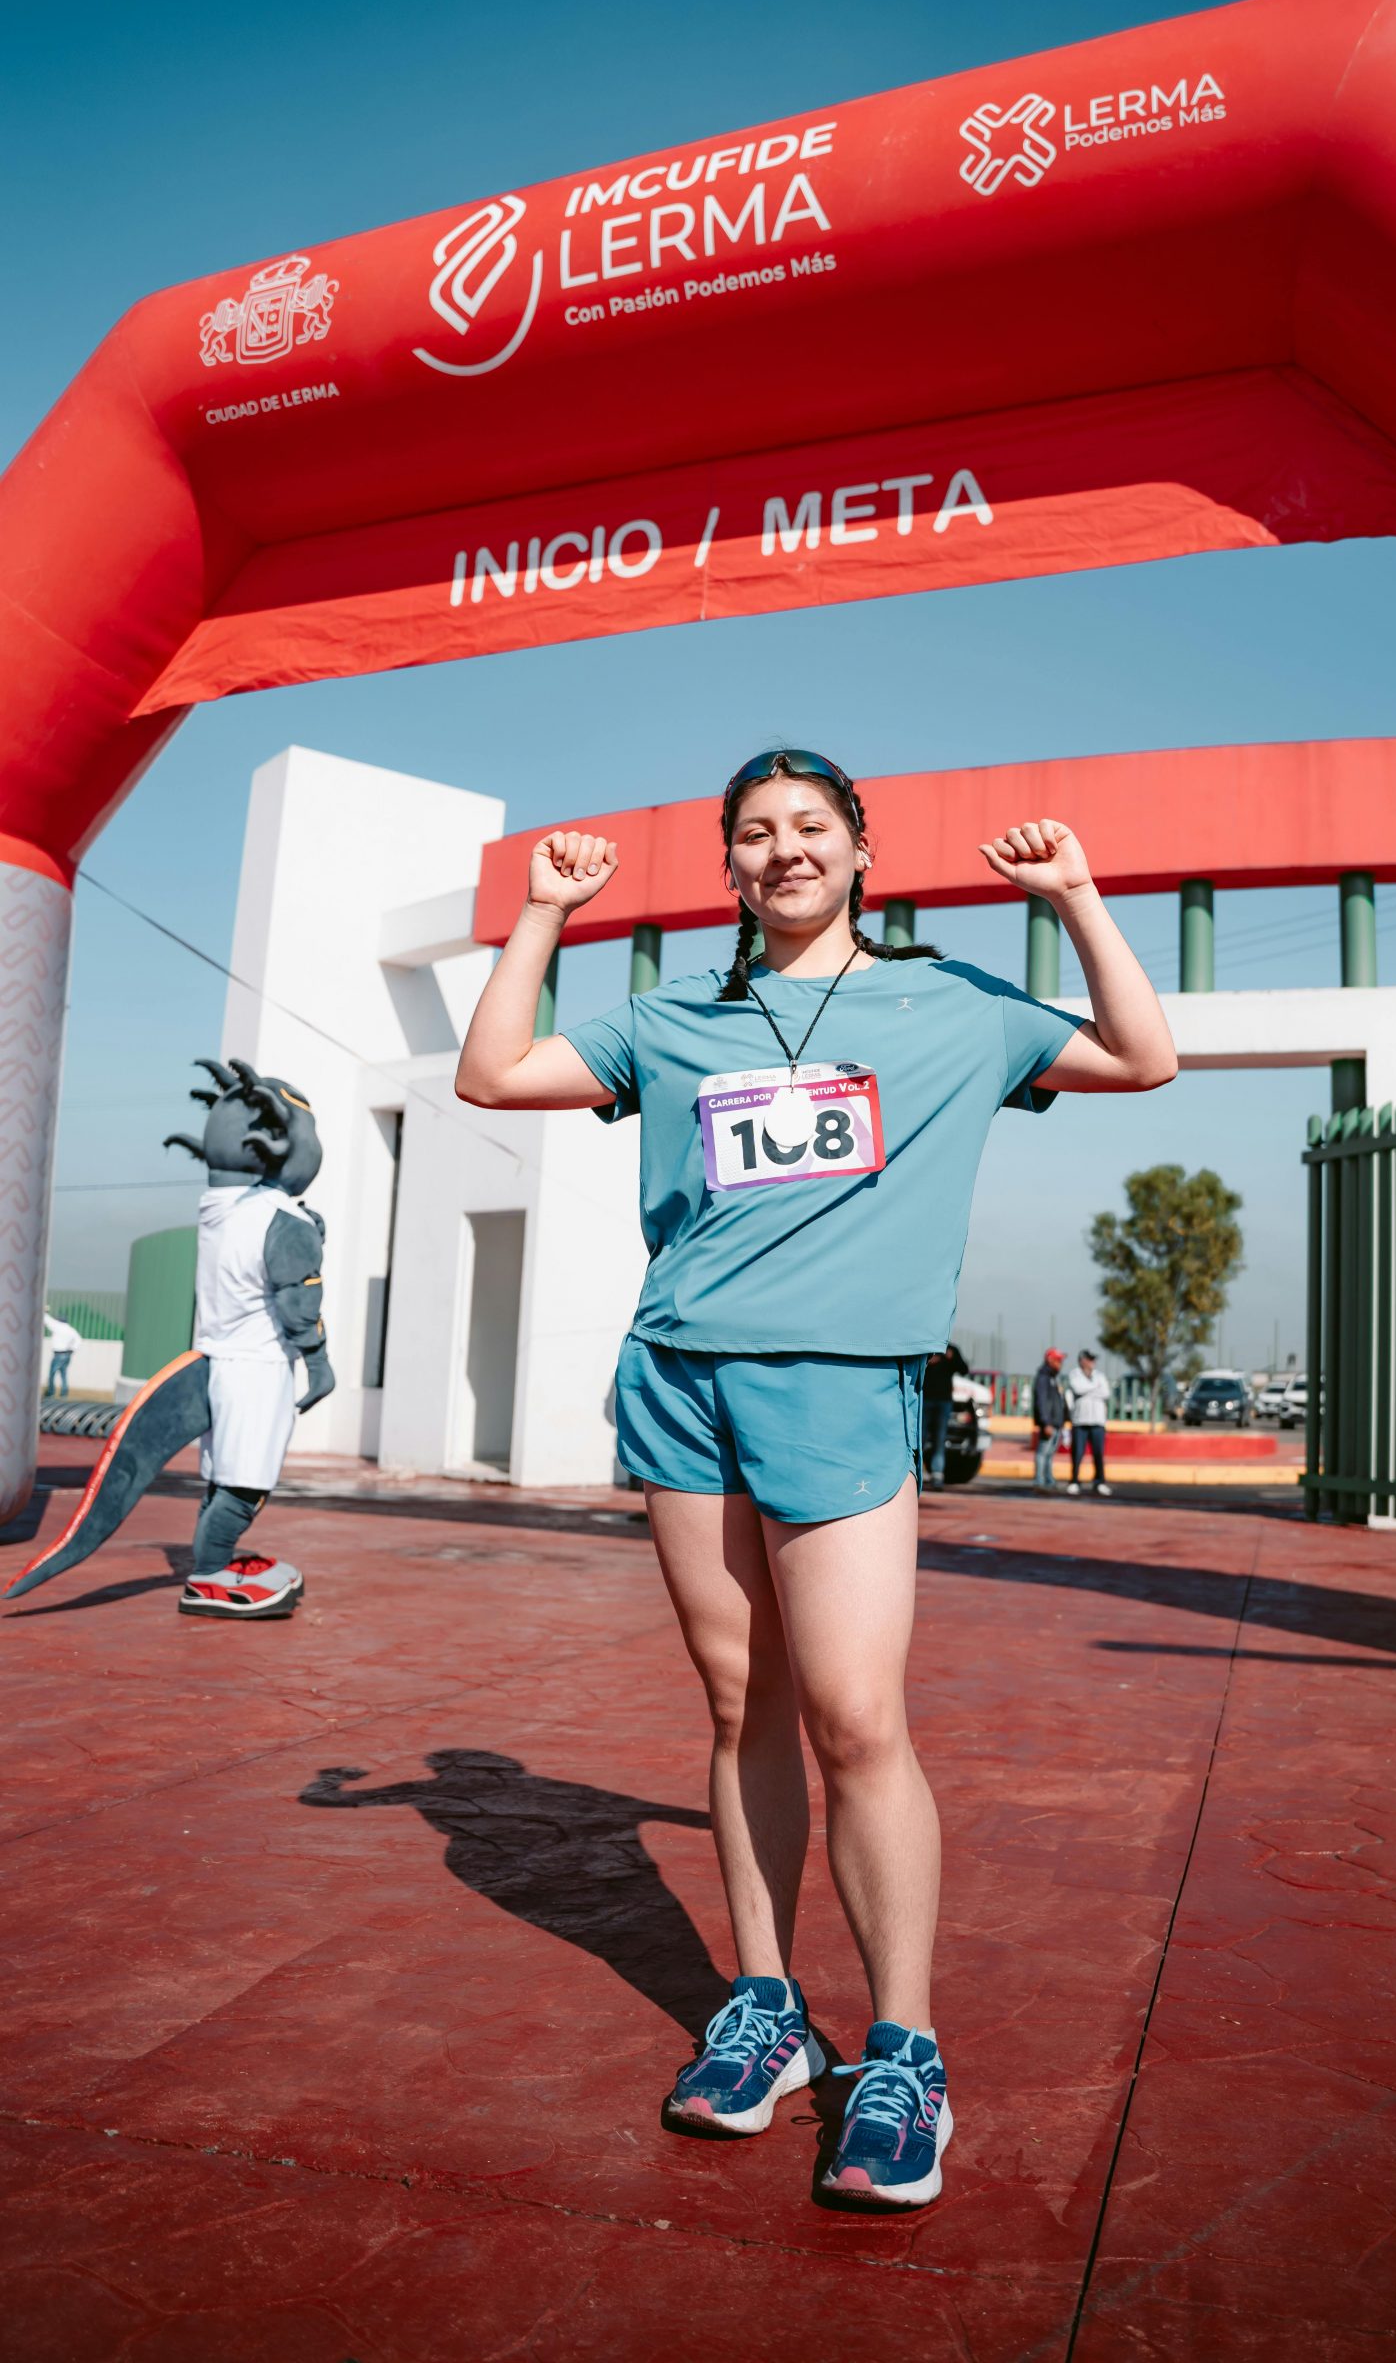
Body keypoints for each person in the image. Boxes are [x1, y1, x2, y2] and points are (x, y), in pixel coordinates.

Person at [455, 748, 1176, 2209]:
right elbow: (492, 1073)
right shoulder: (675, 1019)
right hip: (679, 1381)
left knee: (854, 1719)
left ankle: (901, 2050)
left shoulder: (955, 1007)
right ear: (726, 870)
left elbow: (1140, 1055)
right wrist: (540, 913)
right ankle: (766, 2008)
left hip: (842, 1392)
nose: (781, 851)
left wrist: (1074, 896)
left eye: (808, 829)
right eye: (753, 836)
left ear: (858, 851)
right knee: (741, 1707)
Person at [1064, 1347, 1113, 1497]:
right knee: (1077, 1453)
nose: (1093, 1362)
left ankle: (1100, 1482)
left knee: (1098, 1453)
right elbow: (1078, 1389)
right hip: (1080, 1421)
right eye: (1090, 1359)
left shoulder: (1100, 1375)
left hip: (1098, 1421)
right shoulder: (1074, 1374)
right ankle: (1074, 1481)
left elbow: (1106, 1392)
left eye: (1093, 1359)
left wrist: (1088, 1390)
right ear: (1082, 1360)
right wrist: (1094, 1388)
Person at [921, 1342, 967, 1490]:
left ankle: (937, 1475)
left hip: (943, 1401)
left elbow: (964, 1369)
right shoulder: (926, 1346)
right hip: (925, 1399)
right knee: (919, 1439)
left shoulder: (951, 1349)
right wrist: (927, 1362)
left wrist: (952, 1358)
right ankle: (915, 1473)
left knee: (939, 1439)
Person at [1032, 1346, 1067, 1491]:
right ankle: (1039, 1481)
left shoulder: (1053, 1378)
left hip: (1056, 1422)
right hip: (1049, 1423)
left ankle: (1048, 1479)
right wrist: (1046, 1422)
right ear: (1050, 1360)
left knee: (1050, 1454)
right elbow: (1041, 1401)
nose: (1060, 1363)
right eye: (1058, 1360)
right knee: (1043, 1453)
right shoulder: (1043, 1378)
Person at [41, 1311, 80, 1399]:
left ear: (59, 1320)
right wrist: (72, 1349)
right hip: (67, 1354)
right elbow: (78, 1340)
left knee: (52, 1373)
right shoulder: (71, 1329)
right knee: (64, 1374)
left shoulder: (57, 1326)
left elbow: (47, 1319)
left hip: (58, 1354)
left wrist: (44, 1311)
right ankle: (64, 1394)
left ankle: (51, 1392)